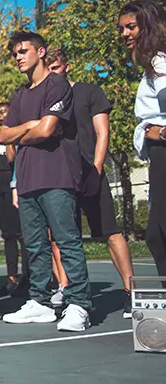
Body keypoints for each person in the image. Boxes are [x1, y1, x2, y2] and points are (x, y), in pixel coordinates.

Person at [0, 32, 91, 331]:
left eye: (23, 51)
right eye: (15, 53)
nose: (18, 56)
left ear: (41, 52)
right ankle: (40, 302)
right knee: (35, 245)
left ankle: (79, 305)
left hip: (56, 176)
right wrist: (28, 125)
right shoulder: (20, 94)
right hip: (26, 179)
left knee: (66, 242)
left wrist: (22, 132)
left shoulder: (58, 85)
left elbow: (48, 130)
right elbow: (2, 136)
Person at [46, 46, 135, 317]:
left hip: (89, 172)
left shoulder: (89, 92)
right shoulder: (45, 99)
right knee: (58, 238)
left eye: (56, 68)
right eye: (48, 70)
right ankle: (67, 288)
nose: (53, 74)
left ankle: (131, 291)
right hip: (59, 178)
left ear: (67, 66)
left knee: (110, 232)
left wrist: (96, 169)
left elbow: (102, 132)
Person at [120, 0, 166, 280]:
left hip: (163, 150)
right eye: (122, 28)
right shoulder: (152, 65)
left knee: (159, 233)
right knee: (156, 233)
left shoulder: (159, 63)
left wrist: (159, 132)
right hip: (158, 153)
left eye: (131, 27)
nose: (124, 34)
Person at [0, 102, 28, 295]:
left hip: (11, 184)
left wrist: (10, 135)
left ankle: (27, 275)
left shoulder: (15, 137)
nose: (0, 115)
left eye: (4, 112)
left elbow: (12, 159)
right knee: (7, 235)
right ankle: (11, 276)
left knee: (21, 234)